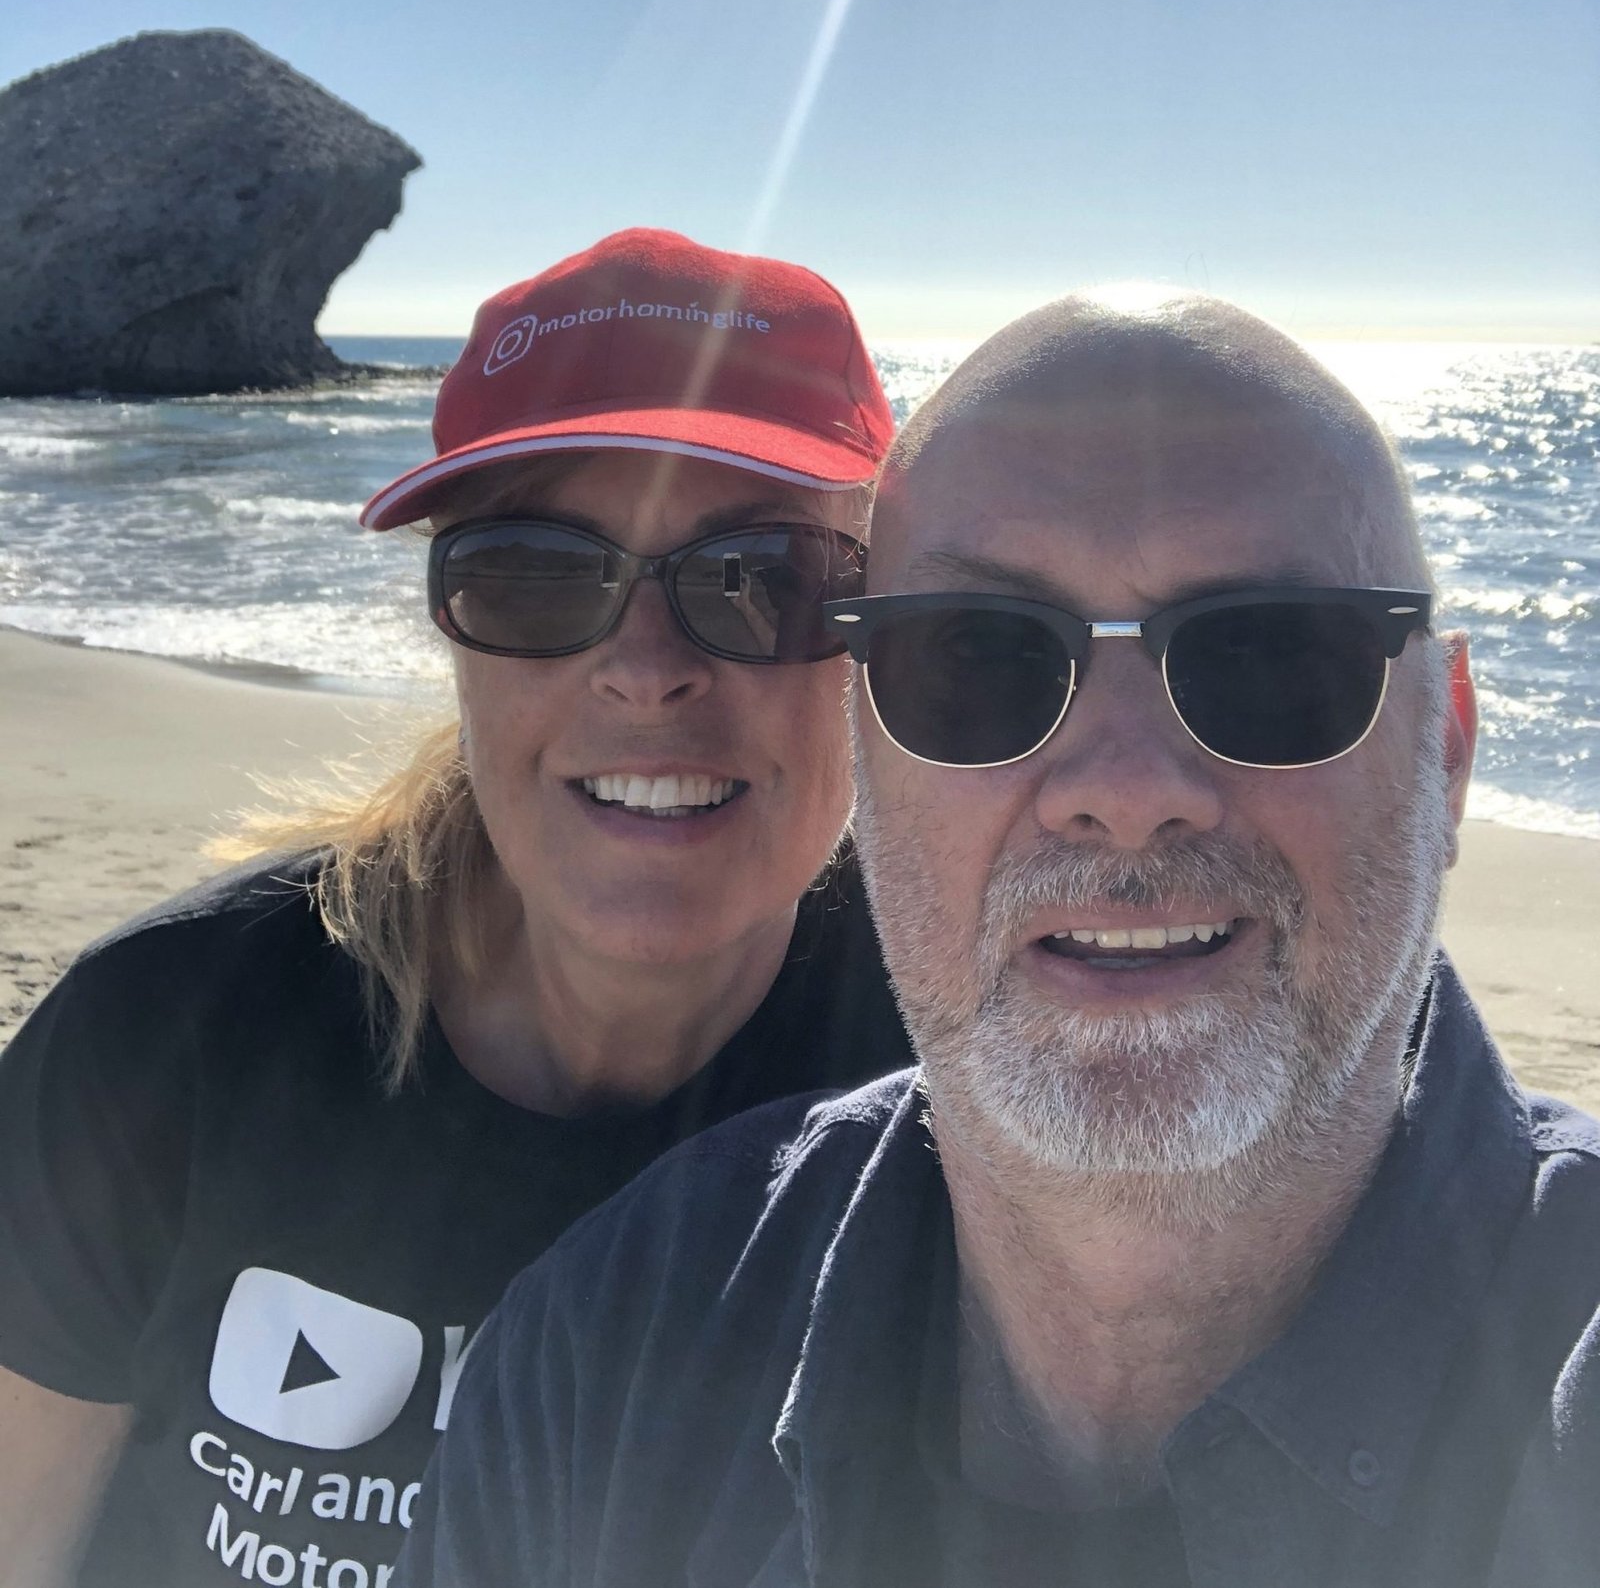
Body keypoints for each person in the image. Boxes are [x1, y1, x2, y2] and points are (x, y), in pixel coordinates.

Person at [400, 294, 1600, 1588]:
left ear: (1452, 747)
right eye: (975, 658)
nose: (1129, 783)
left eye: (1272, 653)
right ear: (862, 753)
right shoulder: (607, 1355)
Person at [0, 227, 912, 1588]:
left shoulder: (959, 1096)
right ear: (449, 630)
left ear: (881, 625)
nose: (644, 669)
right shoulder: (160, 1043)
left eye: (763, 578)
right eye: (539, 573)